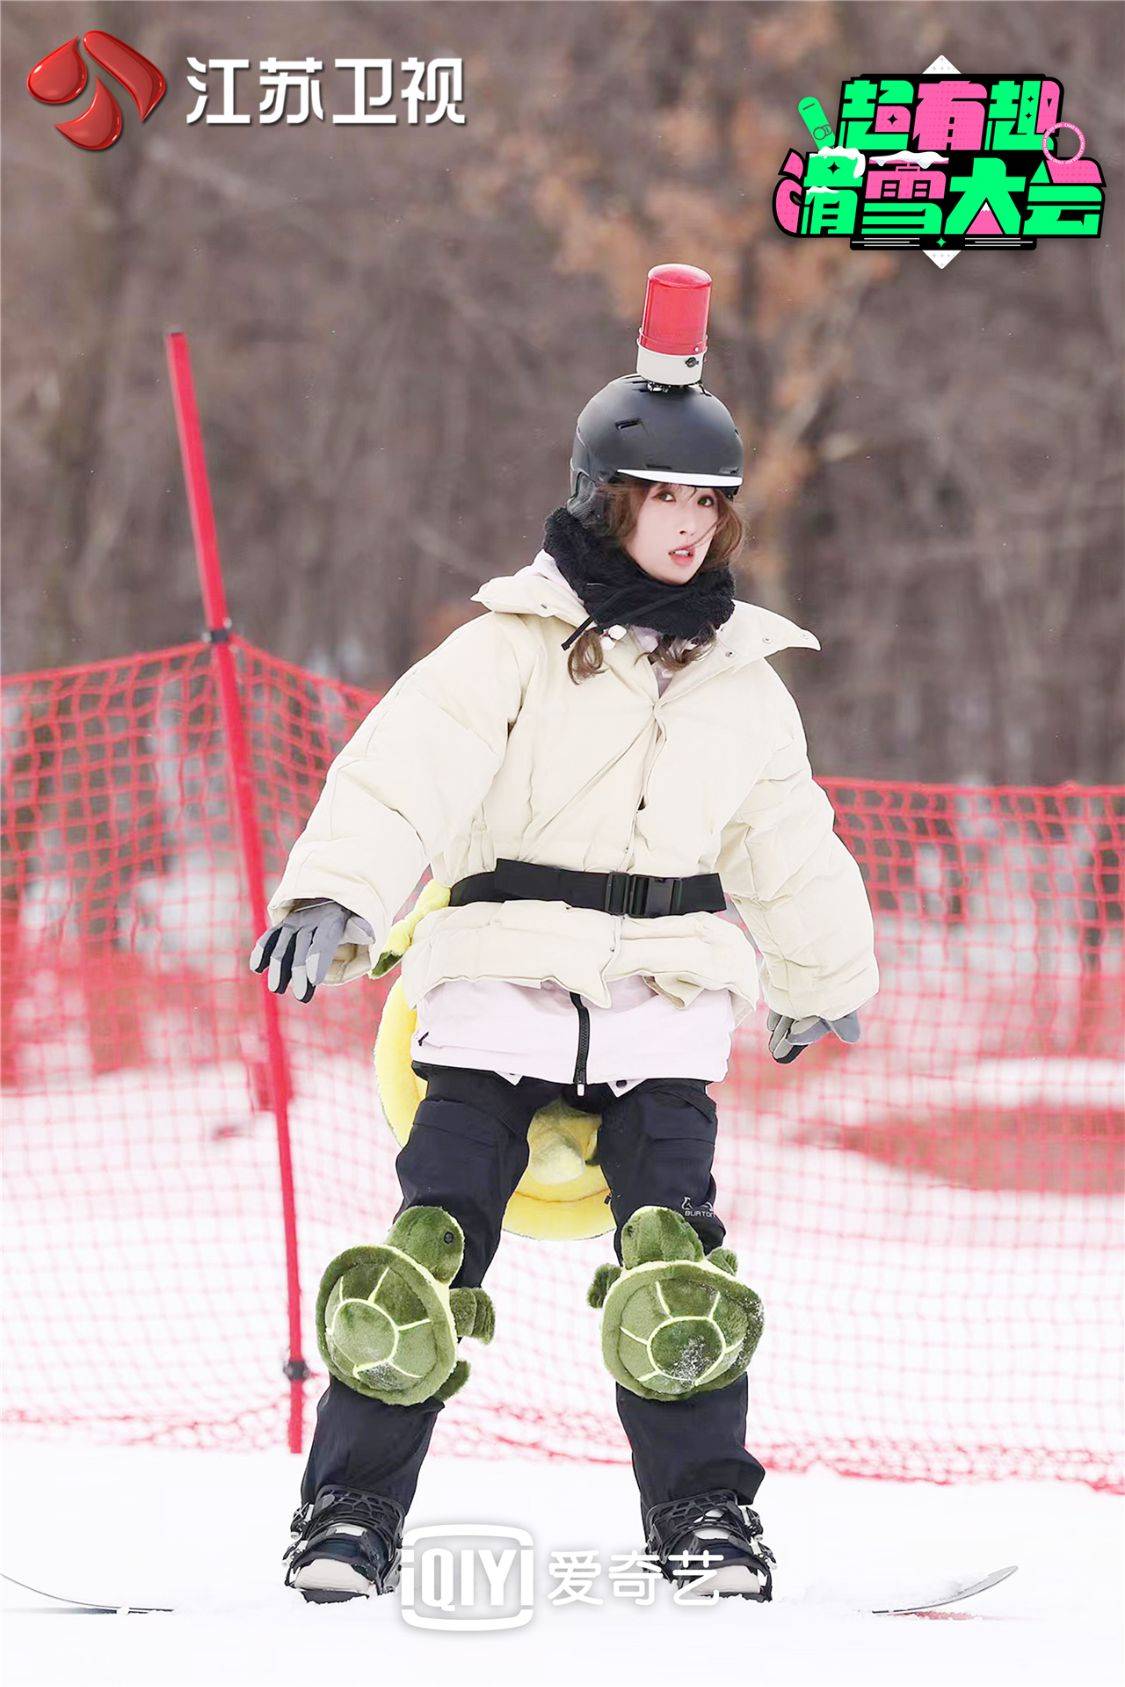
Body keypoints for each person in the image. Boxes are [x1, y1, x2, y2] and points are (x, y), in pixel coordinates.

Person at [251, 263, 879, 1606]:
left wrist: (823, 973)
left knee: (677, 1275)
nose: (687, 525)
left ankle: (707, 1520)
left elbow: (786, 836)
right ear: (611, 497)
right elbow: (402, 765)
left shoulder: (741, 683)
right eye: (664, 497)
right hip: (493, 1003)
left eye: (708, 502)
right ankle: (346, 1516)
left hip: (658, 1013)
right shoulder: (515, 645)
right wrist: (337, 889)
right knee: (420, 1265)